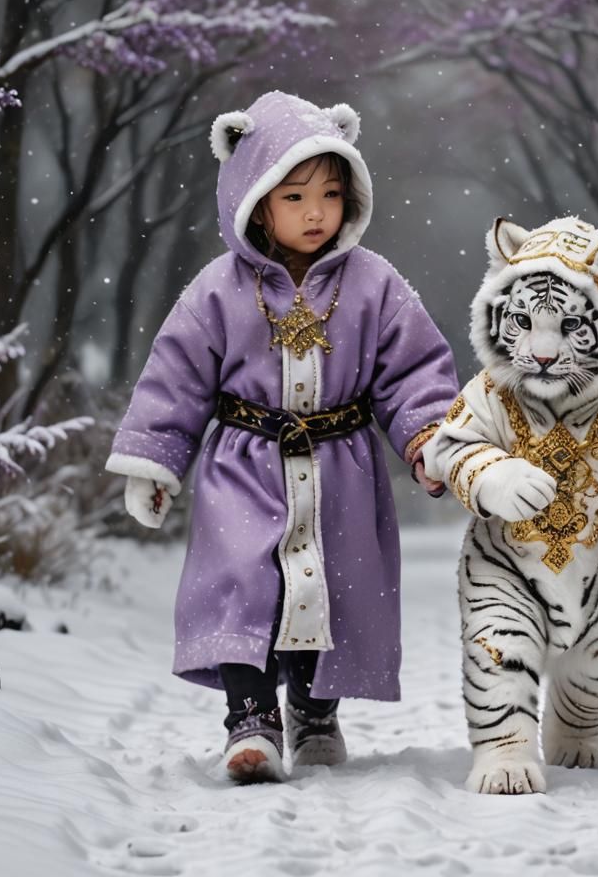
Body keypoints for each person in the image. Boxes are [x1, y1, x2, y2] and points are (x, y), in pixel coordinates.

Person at [106, 91, 459, 783]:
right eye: (294, 197)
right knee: (243, 586)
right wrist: (153, 461)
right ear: (253, 199)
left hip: (342, 468)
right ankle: (251, 719)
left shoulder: (375, 285)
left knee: (334, 585)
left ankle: (315, 711)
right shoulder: (216, 290)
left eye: (330, 194)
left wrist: (428, 439)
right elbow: (176, 378)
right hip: (244, 465)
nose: (315, 212)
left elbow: (414, 371)